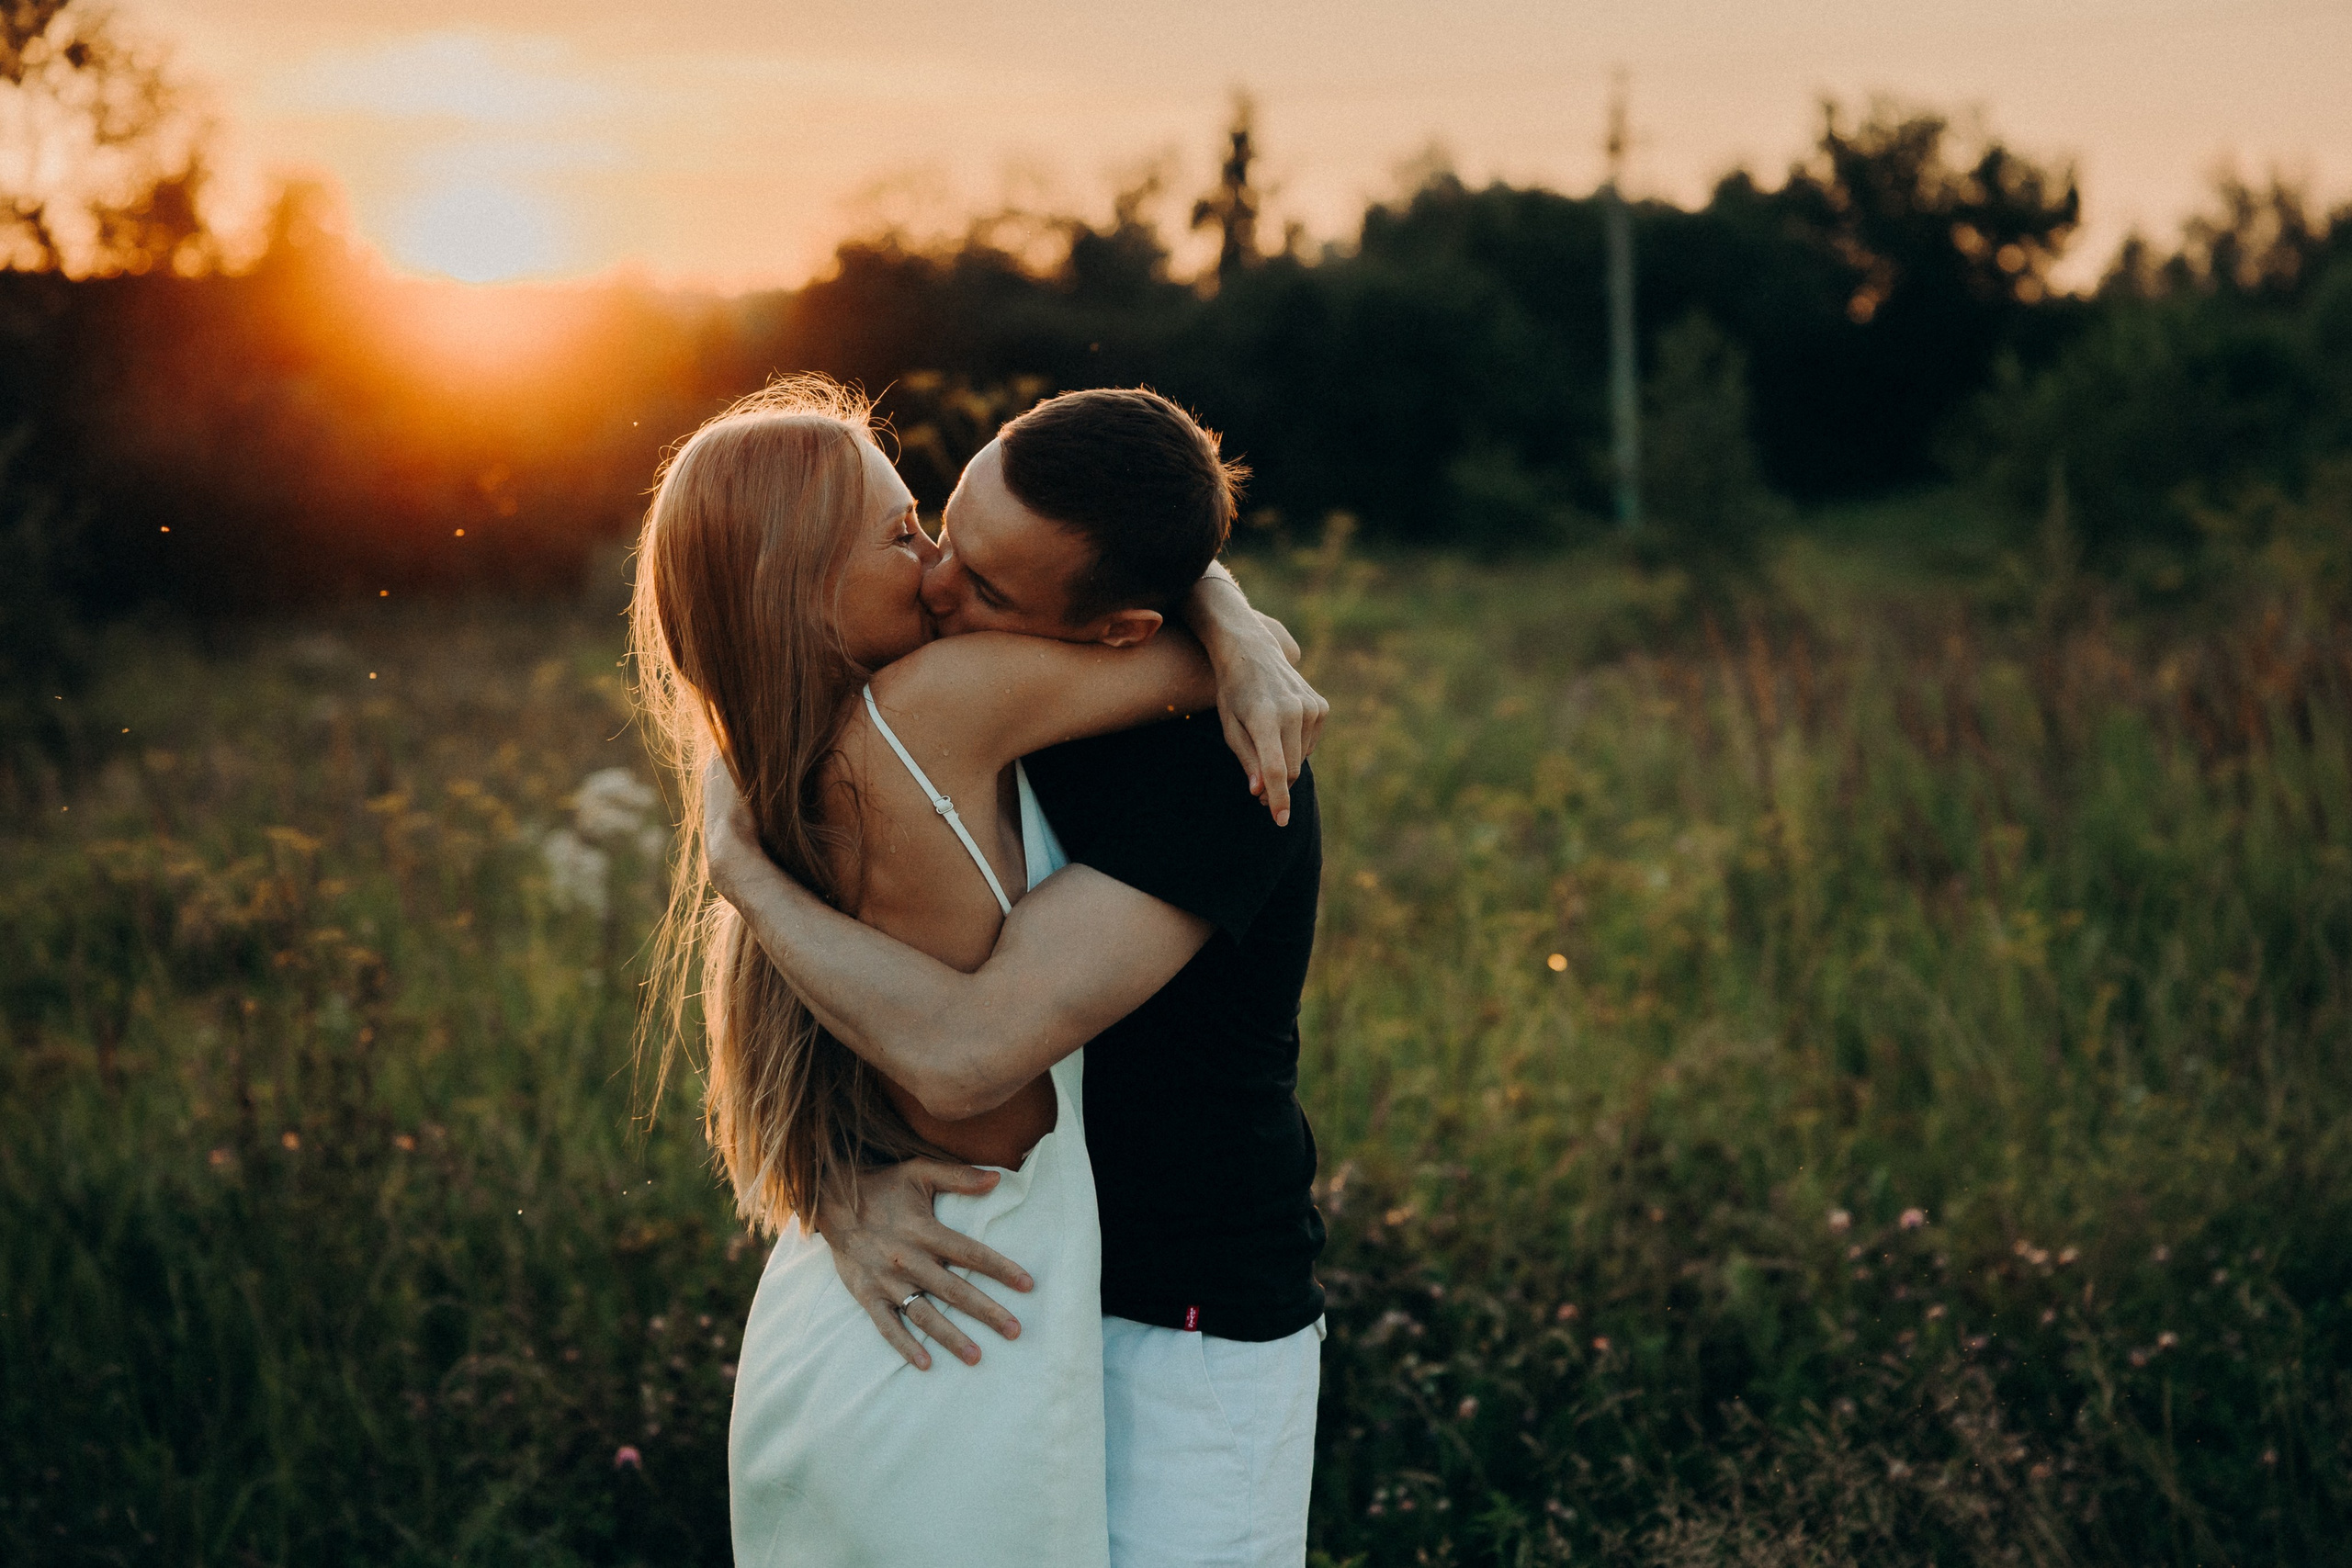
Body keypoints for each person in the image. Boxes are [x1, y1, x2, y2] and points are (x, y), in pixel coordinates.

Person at [628, 376, 1320, 1567]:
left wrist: (1229, 617)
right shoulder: (894, 725)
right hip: (981, 1300)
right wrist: (835, 1185)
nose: (940, 582)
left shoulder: (1213, 763)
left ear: (1120, 627)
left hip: (1178, 1326)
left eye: (983, 580)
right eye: (930, 529)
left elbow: (961, 1055)